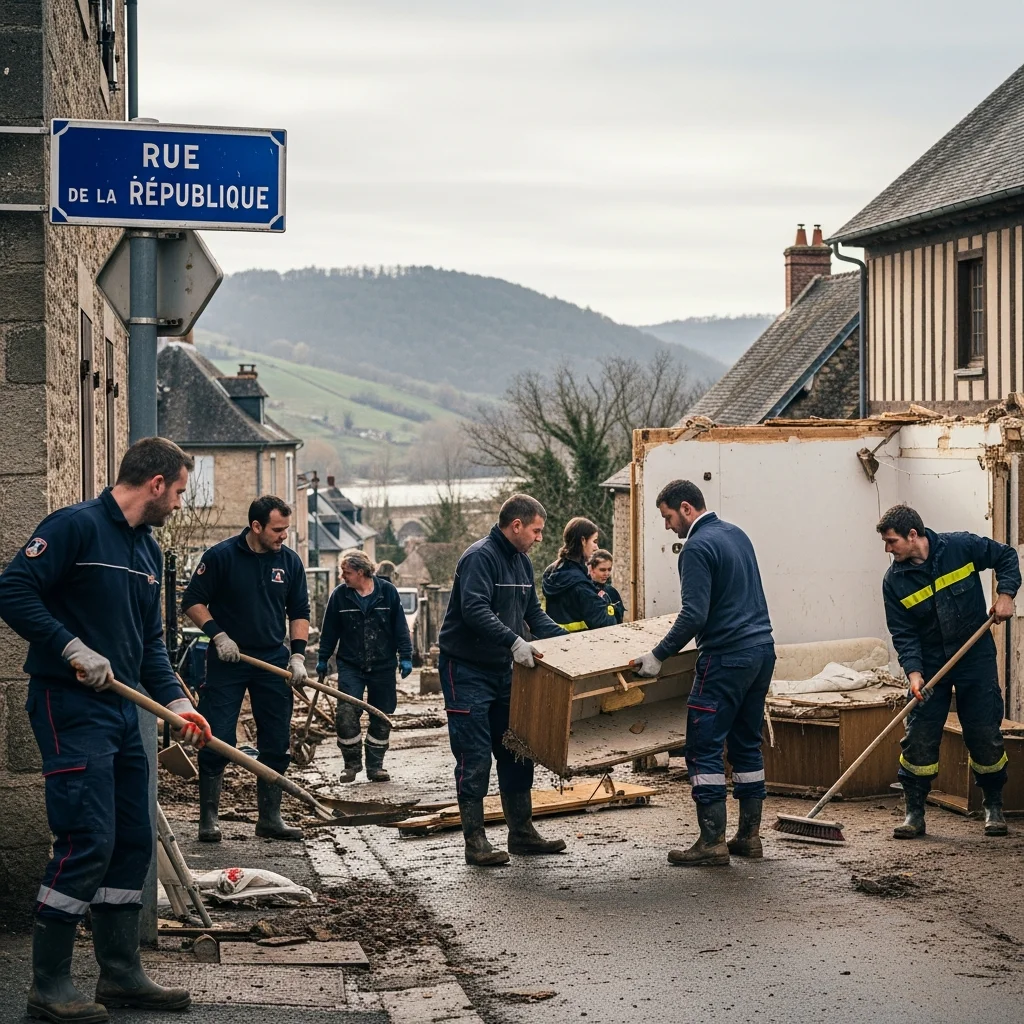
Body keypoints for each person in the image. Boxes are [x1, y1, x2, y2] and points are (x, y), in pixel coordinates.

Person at [0, 437, 213, 1022]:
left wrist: (177, 703)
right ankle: (49, 985)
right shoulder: (73, 527)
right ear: (155, 483)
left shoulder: (148, 553)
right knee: (87, 837)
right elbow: (12, 590)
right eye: (178, 491)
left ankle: (120, 974)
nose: (178, 503)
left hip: (125, 712)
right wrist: (70, 646)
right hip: (68, 706)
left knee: (131, 839)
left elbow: (150, 647)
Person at [632, 480, 774, 867]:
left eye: (667, 517)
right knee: (746, 743)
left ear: (686, 508)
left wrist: (658, 655)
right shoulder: (736, 535)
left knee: (703, 746)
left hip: (725, 657)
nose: (667, 526)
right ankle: (749, 837)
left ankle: (712, 842)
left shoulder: (695, 547)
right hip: (762, 652)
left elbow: (695, 614)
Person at [438, 493, 569, 866]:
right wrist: (514, 641)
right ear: (516, 526)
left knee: (516, 748)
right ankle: (475, 841)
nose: (540, 538)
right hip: (466, 669)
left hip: (504, 669)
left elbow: (534, 615)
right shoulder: (480, 557)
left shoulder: (522, 563)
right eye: (536, 530)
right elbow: (474, 609)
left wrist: (571, 642)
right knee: (474, 753)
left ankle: (522, 833)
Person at [876, 505, 1019, 839]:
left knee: (984, 732)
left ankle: (993, 807)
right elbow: (903, 633)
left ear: (913, 535)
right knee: (920, 738)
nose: (887, 549)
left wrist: (1006, 595)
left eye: (891, 541)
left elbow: (1007, 556)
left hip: (974, 655)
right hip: (929, 666)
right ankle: (914, 813)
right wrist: (913, 673)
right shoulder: (894, 582)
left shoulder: (960, 547)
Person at [181, 495, 310, 843]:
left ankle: (270, 818)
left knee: (276, 741)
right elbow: (191, 601)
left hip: (271, 661)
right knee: (216, 737)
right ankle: (208, 819)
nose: (284, 535)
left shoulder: (290, 562)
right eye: (278, 529)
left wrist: (297, 656)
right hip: (228, 661)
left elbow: (299, 612)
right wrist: (219, 637)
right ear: (256, 526)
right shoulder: (221, 557)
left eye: (286, 528)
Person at [317, 549, 413, 783]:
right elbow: (329, 631)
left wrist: (406, 655)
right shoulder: (340, 596)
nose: (343, 577)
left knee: (381, 715)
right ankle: (351, 764)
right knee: (346, 713)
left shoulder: (387, 593)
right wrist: (323, 658)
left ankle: (375, 766)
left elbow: (400, 626)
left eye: (346, 572)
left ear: (361, 572)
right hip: (351, 665)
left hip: (383, 665)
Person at [541, 518, 617, 631]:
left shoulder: (551, 571)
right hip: (579, 643)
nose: (597, 547)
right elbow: (606, 624)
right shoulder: (580, 584)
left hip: (555, 642)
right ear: (583, 540)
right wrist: (607, 605)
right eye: (594, 541)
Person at [588, 548, 624, 624]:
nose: (607, 574)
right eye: (602, 570)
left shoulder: (612, 592)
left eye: (609, 569)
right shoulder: (585, 591)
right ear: (592, 569)